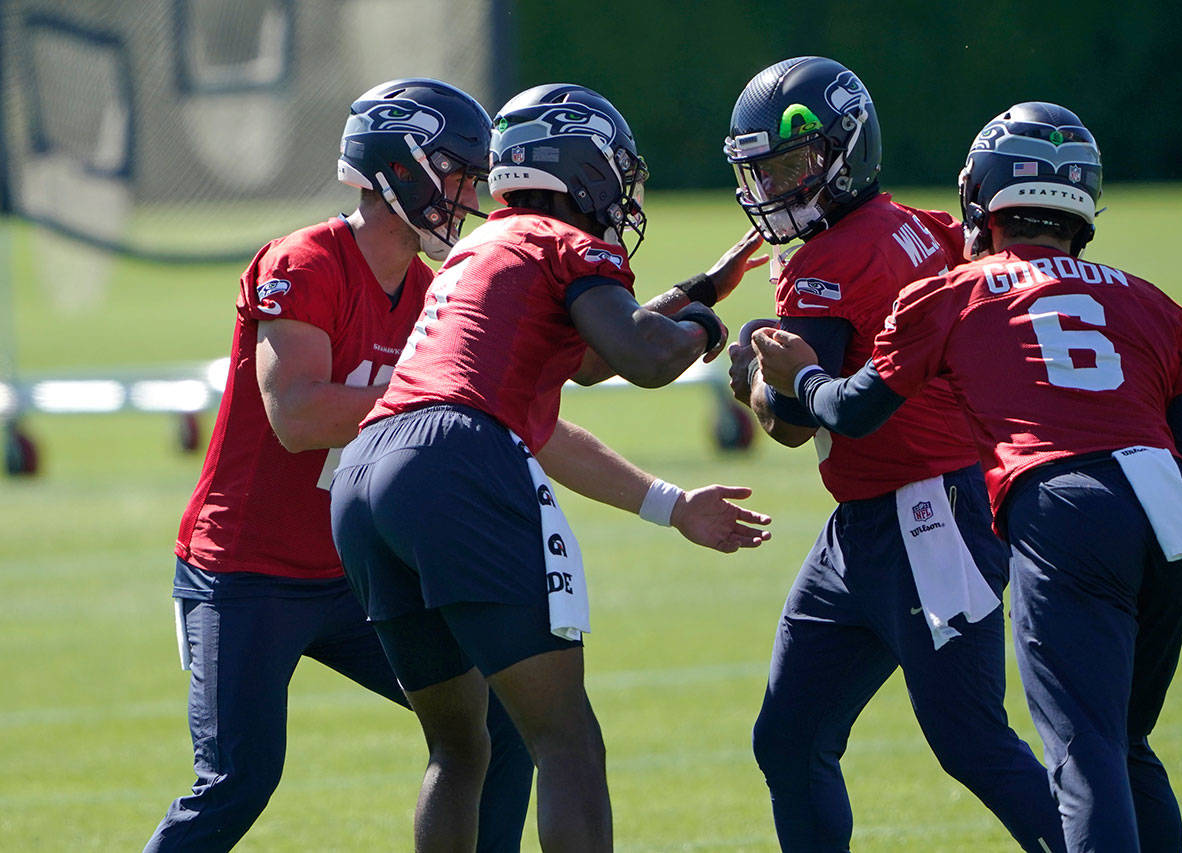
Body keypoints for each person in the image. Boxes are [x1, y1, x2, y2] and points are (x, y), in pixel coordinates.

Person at [754, 101, 1182, 853]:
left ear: (985, 197)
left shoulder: (945, 287)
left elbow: (838, 411)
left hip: (964, 507)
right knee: (1121, 742)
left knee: (1048, 745)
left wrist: (790, 379)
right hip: (1155, 509)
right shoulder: (1153, 300)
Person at [328, 82, 772, 852]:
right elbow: (638, 355)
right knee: (567, 739)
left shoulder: (485, 245)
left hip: (367, 471)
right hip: (456, 461)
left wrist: (691, 293)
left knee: (459, 747)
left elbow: (593, 358)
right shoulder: (566, 243)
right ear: (582, 168)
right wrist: (708, 324)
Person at [145, 79, 535, 852]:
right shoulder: (303, 261)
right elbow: (296, 416)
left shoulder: (430, 288)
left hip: (355, 570)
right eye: (456, 173)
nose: (468, 195)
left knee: (504, 724)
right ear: (398, 171)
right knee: (237, 780)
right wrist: (433, 386)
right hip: (245, 570)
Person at [723, 57, 1065, 852]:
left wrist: (750, 383)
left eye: (790, 167)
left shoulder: (827, 260)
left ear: (844, 151)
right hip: (878, 521)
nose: (773, 188)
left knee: (972, 741)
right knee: (790, 736)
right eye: (764, 171)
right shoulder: (927, 225)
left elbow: (794, 421)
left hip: (925, 517)